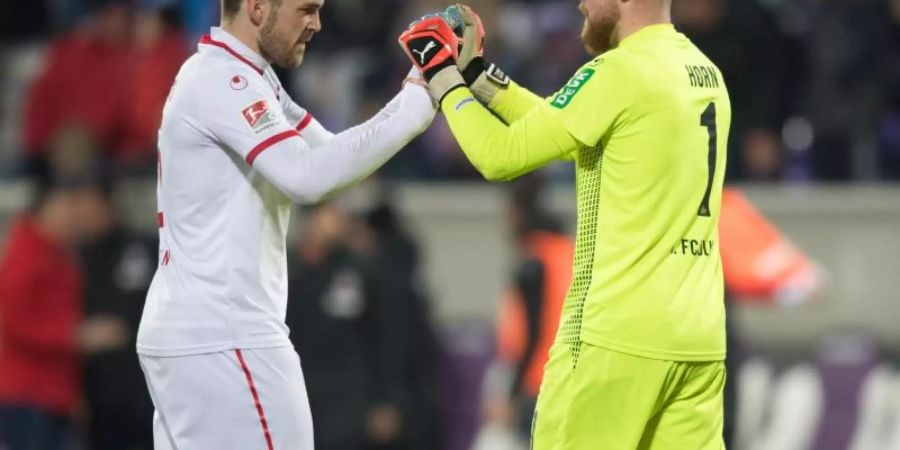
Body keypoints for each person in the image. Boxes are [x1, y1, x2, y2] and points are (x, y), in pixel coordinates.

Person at [399, 1, 730, 448]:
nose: (581, 3)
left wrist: (440, 73)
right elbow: (564, 129)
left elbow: (501, 156)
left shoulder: (621, 71)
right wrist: (477, 75)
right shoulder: (704, 72)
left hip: (615, 338)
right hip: (699, 340)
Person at [135, 0, 436, 448]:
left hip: (196, 333)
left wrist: (418, 83)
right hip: (228, 334)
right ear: (258, 7)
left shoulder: (243, 76)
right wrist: (418, 103)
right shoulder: (225, 81)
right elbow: (309, 178)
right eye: (307, 9)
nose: (317, 23)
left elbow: (331, 157)